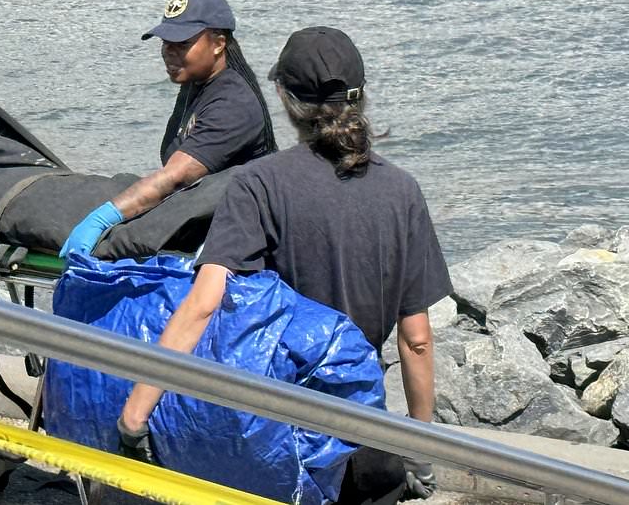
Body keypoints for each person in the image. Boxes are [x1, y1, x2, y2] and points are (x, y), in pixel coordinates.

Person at [117, 27, 451, 504]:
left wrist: (135, 416)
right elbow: (416, 338)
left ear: (282, 95)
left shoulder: (259, 184)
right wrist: (420, 449)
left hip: (278, 439)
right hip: (366, 439)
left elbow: (204, 304)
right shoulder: (403, 190)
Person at [60, 0, 277, 257]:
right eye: (166, 42)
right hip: (194, 215)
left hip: (231, 240)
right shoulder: (195, 83)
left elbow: (175, 177)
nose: (169, 52)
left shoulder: (233, 103)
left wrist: (104, 217)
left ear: (219, 43)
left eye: (182, 43)